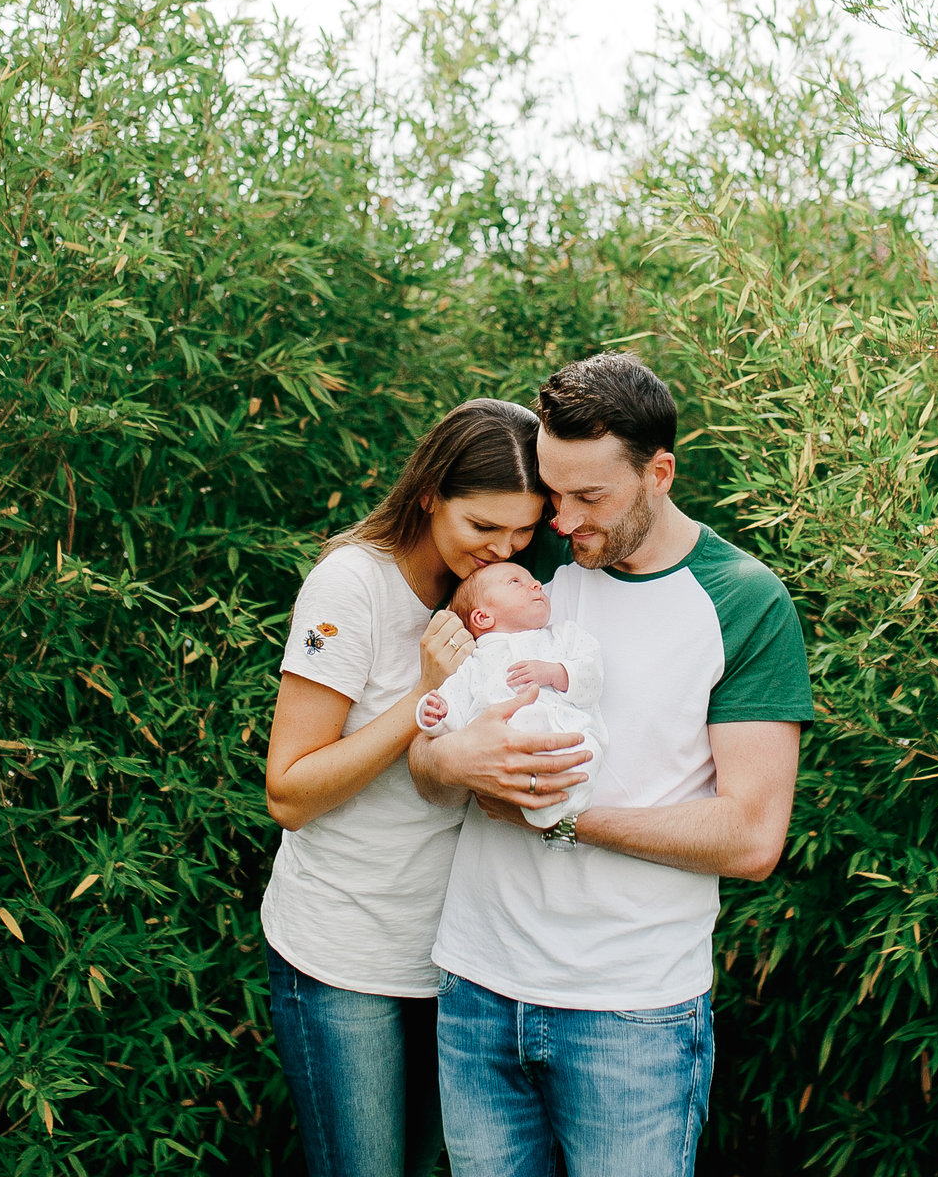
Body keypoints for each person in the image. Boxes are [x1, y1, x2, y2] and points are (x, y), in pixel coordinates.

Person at [410, 353, 814, 1177]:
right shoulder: (531, 573)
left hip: (630, 1014)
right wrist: (459, 761)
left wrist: (558, 814)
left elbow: (751, 836)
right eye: (553, 492)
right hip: (479, 986)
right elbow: (424, 762)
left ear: (659, 472)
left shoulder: (742, 600)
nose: (558, 521)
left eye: (589, 496)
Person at [261, 398, 549, 1177]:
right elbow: (287, 791)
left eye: (522, 531)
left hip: (458, 960)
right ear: (429, 493)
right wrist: (422, 697)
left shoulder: (516, 592)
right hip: (343, 956)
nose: (504, 550)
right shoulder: (351, 585)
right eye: (483, 528)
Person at [413, 561, 606, 830]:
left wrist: (555, 672)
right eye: (515, 582)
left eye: (532, 579)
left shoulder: (562, 637)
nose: (536, 584)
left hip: (567, 739)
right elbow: (454, 711)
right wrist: (434, 713)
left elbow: (592, 678)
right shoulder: (473, 663)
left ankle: (562, 816)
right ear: (483, 617)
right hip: (505, 758)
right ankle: (539, 811)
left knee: (586, 754)